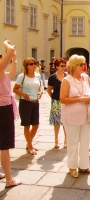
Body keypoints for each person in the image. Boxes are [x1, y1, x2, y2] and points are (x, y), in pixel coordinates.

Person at [60, 54, 90, 178]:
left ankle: (84, 166)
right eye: (81, 64)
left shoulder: (86, 77)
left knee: (86, 140)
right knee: (73, 142)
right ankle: (72, 167)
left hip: (86, 115)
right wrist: (80, 99)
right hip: (71, 116)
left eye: (84, 64)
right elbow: (63, 99)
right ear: (74, 66)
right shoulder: (67, 80)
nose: (83, 66)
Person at [0, 40, 22, 189]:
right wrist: (7, 45)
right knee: (4, 145)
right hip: (3, 108)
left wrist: (14, 59)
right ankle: (9, 179)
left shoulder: (2, 73)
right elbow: (9, 50)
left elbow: (12, 73)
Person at [13, 58, 42, 155]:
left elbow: (40, 86)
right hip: (25, 103)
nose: (34, 65)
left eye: (35, 63)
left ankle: (28, 143)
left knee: (36, 125)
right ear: (26, 66)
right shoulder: (22, 76)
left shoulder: (37, 75)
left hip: (35, 102)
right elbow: (15, 89)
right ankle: (30, 146)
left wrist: (40, 92)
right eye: (31, 64)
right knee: (27, 125)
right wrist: (23, 94)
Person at [47, 58, 67, 149]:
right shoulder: (52, 77)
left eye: (64, 65)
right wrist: (53, 98)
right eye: (62, 66)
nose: (64, 67)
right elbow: (49, 90)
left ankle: (66, 140)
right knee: (56, 121)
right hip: (56, 101)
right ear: (57, 67)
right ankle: (56, 139)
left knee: (65, 121)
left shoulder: (67, 76)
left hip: (66, 101)